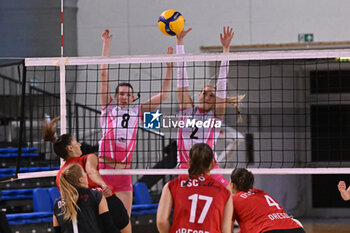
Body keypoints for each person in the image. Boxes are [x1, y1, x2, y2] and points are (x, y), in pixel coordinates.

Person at [99, 29, 173, 217]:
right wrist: (106, 45)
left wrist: (170, 67)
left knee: (124, 220)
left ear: (132, 98)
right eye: (121, 94)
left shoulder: (137, 111)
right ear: (116, 96)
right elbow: (103, 75)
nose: (124, 96)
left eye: (128, 94)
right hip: (104, 171)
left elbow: (163, 95)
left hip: (124, 172)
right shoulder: (108, 108)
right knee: (100, 222)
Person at [175, 26, 244, 188]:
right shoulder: (186, 109)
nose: (206, 96)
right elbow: (181, 80)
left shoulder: (216, 116)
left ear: (215, 101)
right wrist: (180, 42)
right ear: (199, 94)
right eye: (204, 93)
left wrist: (225, 51)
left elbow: (221, 85)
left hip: (209, 167)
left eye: (211, 95)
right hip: (186, 167)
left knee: (228, 194)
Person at [42, 116, 130, 233]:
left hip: (87, 214)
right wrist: (103, 185)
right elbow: (91, 171)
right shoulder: (88, 157)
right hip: (107, 201)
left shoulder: (61, 175)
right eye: (76, 142)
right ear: (70, 148)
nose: (79, 144)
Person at [156, 143, 233, 233]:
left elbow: (161, 221)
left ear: (189, 162)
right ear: (212, 164)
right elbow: (226, 230)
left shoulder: (171, 186)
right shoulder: (225, 191)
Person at [230, 168, 305, 233]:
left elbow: (227, 230)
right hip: (297, 229)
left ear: (232, 185)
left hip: (270, 231)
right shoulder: (262, 193)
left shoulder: (233, 200)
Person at [53, 163, 119, 233]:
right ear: (81, 180)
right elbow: (109, 227)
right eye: (84, 172)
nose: (86, 174)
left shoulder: (57, 203)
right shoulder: (95, 195)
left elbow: (57, 230)